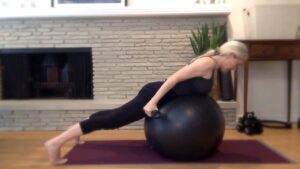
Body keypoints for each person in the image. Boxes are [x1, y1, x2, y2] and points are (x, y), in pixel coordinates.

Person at [45, 40, 249, 165]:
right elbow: (173, 79)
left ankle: (81, 128)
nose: (234, 68)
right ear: (231, 56)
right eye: (236, 64)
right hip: (154, 94)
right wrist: (152, 103)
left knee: (116, 114)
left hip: (164, 99)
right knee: (115, 120)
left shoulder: (210, 63)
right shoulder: (207, 63)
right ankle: (55, 143)